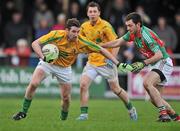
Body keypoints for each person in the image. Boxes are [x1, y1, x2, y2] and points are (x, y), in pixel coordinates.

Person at [12, 18, 128, 121]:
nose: (76, 34)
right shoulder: (56, 34)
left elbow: (101, 50)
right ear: (66, 30)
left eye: (78, 31)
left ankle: (63, 120)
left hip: (65, 69)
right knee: (34, 83)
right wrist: (43, 57)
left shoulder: (82, 42)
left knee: (66, 99)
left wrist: (117, 63)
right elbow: (35, 43)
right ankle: (23, 112)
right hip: (48, 63)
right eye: (73, 31)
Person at [101, 12, 180, 122]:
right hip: (155, 63)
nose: (127, 28)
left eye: (130, 25)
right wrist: (100, 46)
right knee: (155, 99)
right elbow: (118, 42)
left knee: (147, 83)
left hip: (163, 62)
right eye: (126, 25)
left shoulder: (146, 35)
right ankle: (175, 116)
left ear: (138, 25)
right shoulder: (132, 34)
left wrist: (143, 63)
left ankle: (163, 114)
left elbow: (159, 55)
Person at [76, 2, 137, 121]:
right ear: (87, 13)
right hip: (92, 62)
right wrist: (83, 49)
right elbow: (81, 41)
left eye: (95, 11)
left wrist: (111, 59)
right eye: (90, 12)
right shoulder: (84, 26)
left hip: (106, 62)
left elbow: (117, 43)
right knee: (83, 85)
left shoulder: (106, 26)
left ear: (99, 13)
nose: (92, 14)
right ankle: (84, 114)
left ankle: (131, 108)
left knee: (116, 90)